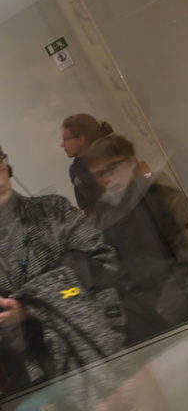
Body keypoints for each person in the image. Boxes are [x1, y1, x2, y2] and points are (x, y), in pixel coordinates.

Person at [0, 146, 125, 402]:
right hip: (30, 380)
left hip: (101, 358)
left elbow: (104, 264)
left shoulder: (52, 211)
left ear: (6, 163)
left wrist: (33, 307)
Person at [83, 135, 188, 346]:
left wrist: (167, 306)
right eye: (99, 174)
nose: (106, 179)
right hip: (145, 321)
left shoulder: (163, 198)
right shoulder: (103, 217)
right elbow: (112, 272)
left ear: (131, 163)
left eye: (112, 168)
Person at [61, 114, 114, 213]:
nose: (62, 145)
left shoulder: (77, 170)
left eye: (65, 139)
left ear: (81, 140)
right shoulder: (115, 151)